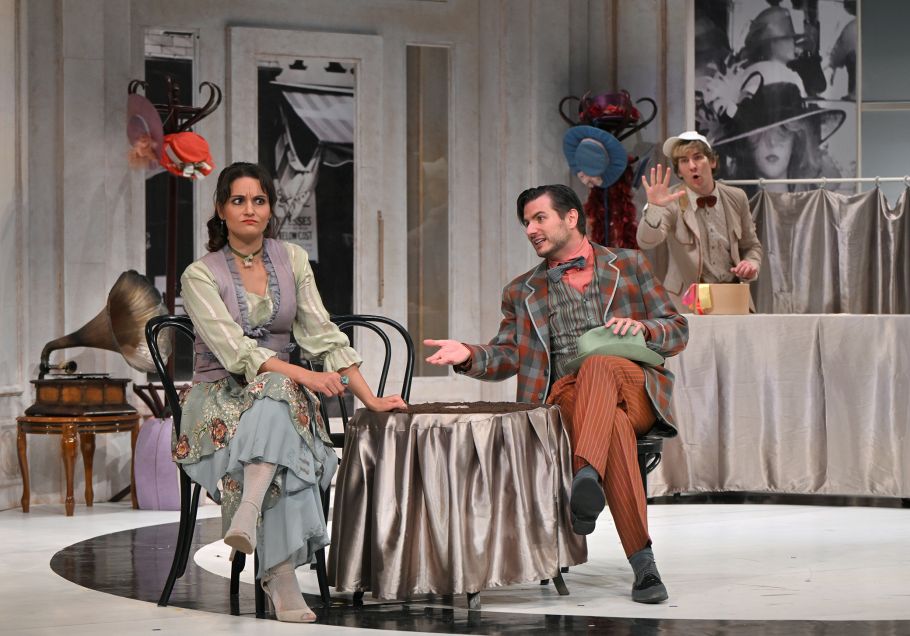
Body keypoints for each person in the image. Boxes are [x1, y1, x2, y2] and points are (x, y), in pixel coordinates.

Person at [423, 184, 688, 604]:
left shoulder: (629, 265)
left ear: (570, 217)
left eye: (539, 218)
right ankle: (644, 567)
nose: (530, 229)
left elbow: (677, 329)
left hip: (632, 386)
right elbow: (509, 354)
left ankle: (586, 475)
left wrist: (644, 328)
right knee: (613, 426)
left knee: (599, 365)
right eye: (526, 222)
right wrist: (470, 354)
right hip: (566, 397)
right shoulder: (521, 290)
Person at [177, 161, 406, 622]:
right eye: (238, 200)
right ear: (221, 209)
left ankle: (250, 514)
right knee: (283, 399)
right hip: (219, 401)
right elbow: (237, 352)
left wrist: (369, 399)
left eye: (259, 200)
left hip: (280, 398)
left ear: (270, 209)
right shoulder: (198, 275)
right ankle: (281, 578)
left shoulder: (293, 259)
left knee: (279, 398)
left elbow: (323, 335)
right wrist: (305, 377)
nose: (249, 209)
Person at [636, 131, 763, 311]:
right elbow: (646, 241)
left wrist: (751, 264)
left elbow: (752, 246)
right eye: (684, 161)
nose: (692, 166)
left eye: (697, 157)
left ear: (712, 161)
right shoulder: (670, 200)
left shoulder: (736, 197)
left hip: (732, 297)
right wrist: (654, 208)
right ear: (679, 171)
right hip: (687, 303)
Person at [715, 81, 848, 197]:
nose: (772, 142)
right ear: (746, 142)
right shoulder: (733, 208)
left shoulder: (813, 207)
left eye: (783, 131)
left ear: (796, 140)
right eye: (761, 133)